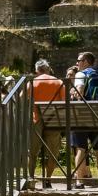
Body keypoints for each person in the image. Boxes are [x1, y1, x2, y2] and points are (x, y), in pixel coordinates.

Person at [71, 51, 98, 189]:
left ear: (86, 61)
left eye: (79, 60)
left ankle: (80, 182)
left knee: (81, 149)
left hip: (82, 116)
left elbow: (80, 91)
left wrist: (74, 95)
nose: (77, 63)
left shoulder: (80, 74)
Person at [30, 59, 66, 188]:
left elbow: (22, 98)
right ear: (48, 69)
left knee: (32, 152)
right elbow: (64, 102)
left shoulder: (33, 82)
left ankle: (30, 179)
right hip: (53, 119)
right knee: (53, 152)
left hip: (36, 119)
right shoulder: (58, 82)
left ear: (36, 70)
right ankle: (47, 179)